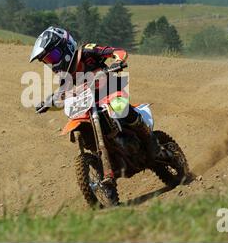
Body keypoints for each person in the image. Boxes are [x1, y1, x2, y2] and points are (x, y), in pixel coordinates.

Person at [29, 26, 165, 160]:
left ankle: (150, 139)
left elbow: (117, 51)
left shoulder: (87, 51)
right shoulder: (66, 76)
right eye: (48, 61)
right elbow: (62, 96)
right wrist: (47, 104)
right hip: (91, 104)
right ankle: (103, 158)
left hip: (111, 91)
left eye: (53, 56)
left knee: (118, 105)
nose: (52, 63)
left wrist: (117, 62)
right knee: (80, 121)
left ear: (66, 47)